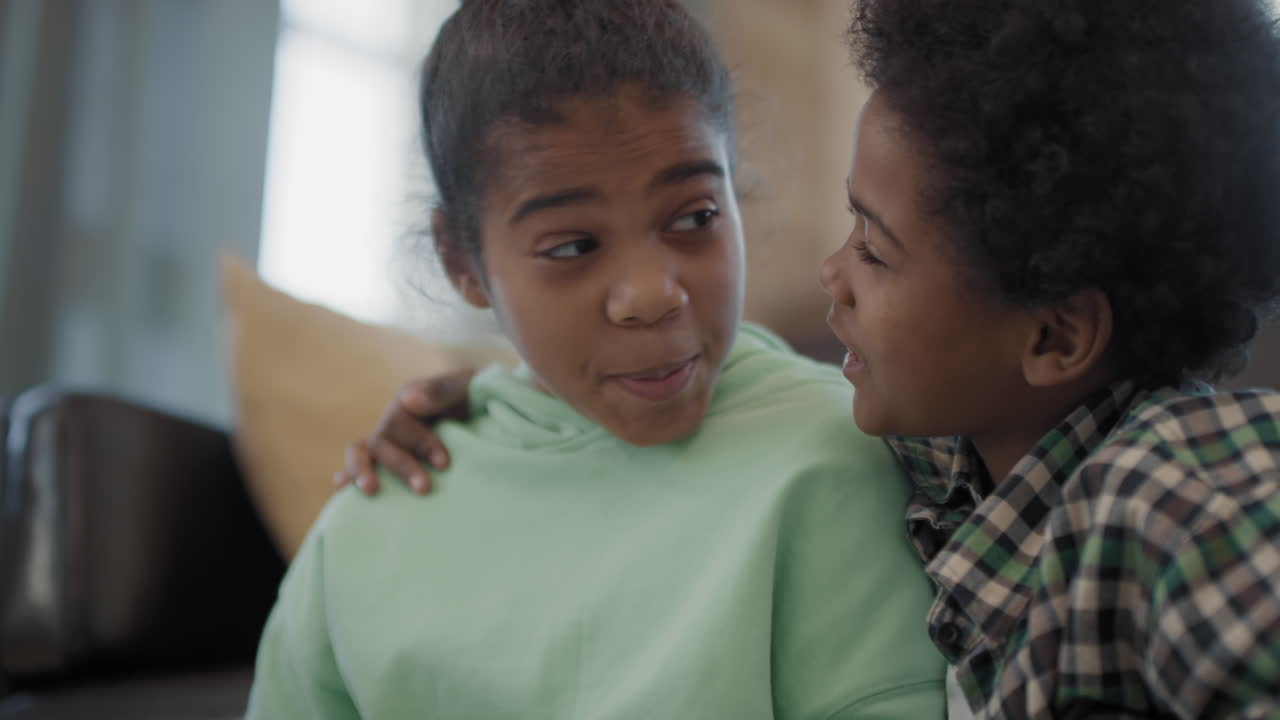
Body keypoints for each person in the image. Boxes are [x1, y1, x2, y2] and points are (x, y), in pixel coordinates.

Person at [340, 0, 1280, 717]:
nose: (831, 278)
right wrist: (507, 404)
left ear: (1053, 338)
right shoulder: (954, 462)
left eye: (873, 248)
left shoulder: (1172, 486)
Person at [247, 1, 946, 718]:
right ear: (462, 259)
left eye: (695, 217)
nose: (650, 295)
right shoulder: (372, 525)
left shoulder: (835, 457)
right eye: (572, 247)